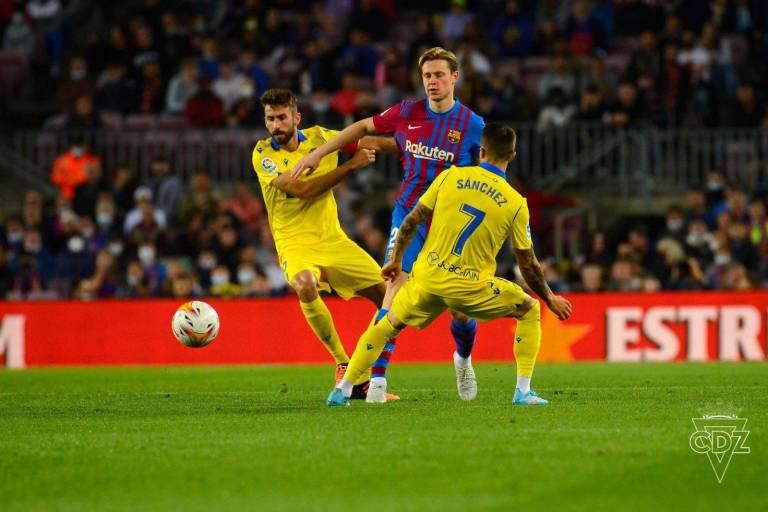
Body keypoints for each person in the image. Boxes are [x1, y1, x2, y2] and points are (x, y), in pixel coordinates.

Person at [326, 123, 573, 407]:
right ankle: (523, 391)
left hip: (427, 279)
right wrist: (550, 297)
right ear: (512, 156)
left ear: (481, 151)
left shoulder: (450, 177)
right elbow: (528, 264)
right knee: (529, 309)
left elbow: (412, 220)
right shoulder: (516, 203)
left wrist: (395, 259)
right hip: (469, 288)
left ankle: (342, 389)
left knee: (386, 324)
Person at [291, 47, 486, 403]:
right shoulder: (408, 112)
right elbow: (362, 127)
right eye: (427, 76)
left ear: (455, 77)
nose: (433, 82)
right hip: (409, 215)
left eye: (440, 75)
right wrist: (318, 153)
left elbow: (480, 177)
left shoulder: (472, 126)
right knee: (394, 285)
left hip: (449, 221)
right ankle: (377, 380)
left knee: (459, 308)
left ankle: (463, 359)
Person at [253, 88, 399, 400]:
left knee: (391, 301)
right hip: (295, 243)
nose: (276, 125)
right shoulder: (264, 155)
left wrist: (411, 148)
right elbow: (302, 189)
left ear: (296, 117)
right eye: (270, 119)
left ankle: (366, 380)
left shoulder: (322, 137)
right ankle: (342, 363)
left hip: (333, 240)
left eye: (281, 118)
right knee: (305, 284)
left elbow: (367, 141)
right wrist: (350, 166)